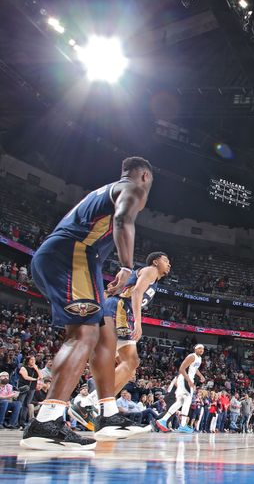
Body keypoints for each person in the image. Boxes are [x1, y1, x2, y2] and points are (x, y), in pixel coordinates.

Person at [21, 157, 154, 451]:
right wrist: (127, 266)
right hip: (71, 256)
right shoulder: (133, 187)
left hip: (81, 261)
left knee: (105, 332)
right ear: (144, 176)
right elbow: (122, 221)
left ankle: (107, 415)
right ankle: (47, 420)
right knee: (84, 334)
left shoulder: (106, 190)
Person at [103, 251, 171, 399]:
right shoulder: (151, 271)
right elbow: (136, 293)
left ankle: (101, 404)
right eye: (166, 261)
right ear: (155, 262)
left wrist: (116, 287)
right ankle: (94, 401)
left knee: (129, 368)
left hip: (119, 311)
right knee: (130, 362)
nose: (169, 264)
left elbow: (127, 288)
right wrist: (138, 323)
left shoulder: (152, 279)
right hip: (119, 311)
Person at [155, 344, 206, 433]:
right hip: (184, 379)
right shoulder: (191, 356)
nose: (202, 350)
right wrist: (189, 380)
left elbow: (195, 369)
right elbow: (181, 369)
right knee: (187, 400)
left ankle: (163, 420)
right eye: (200, 348)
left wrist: (201, 375)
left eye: (203, 349)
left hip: (188, 379)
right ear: (195, 349)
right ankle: (182, 425)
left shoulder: (199, 358)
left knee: (180, 402)